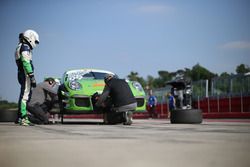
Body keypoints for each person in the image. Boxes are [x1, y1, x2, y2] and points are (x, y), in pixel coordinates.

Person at [15, 29, 39, 126]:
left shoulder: (19, 46)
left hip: (21, 73)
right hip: (26, 74)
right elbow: (26, 62)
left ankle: (19, 117)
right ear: (31, 37)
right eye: (35, 41)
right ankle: (23, 118)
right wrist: (32, 76)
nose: (35, 43)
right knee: (25, 96)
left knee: (22, 95)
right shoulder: (25, 47)